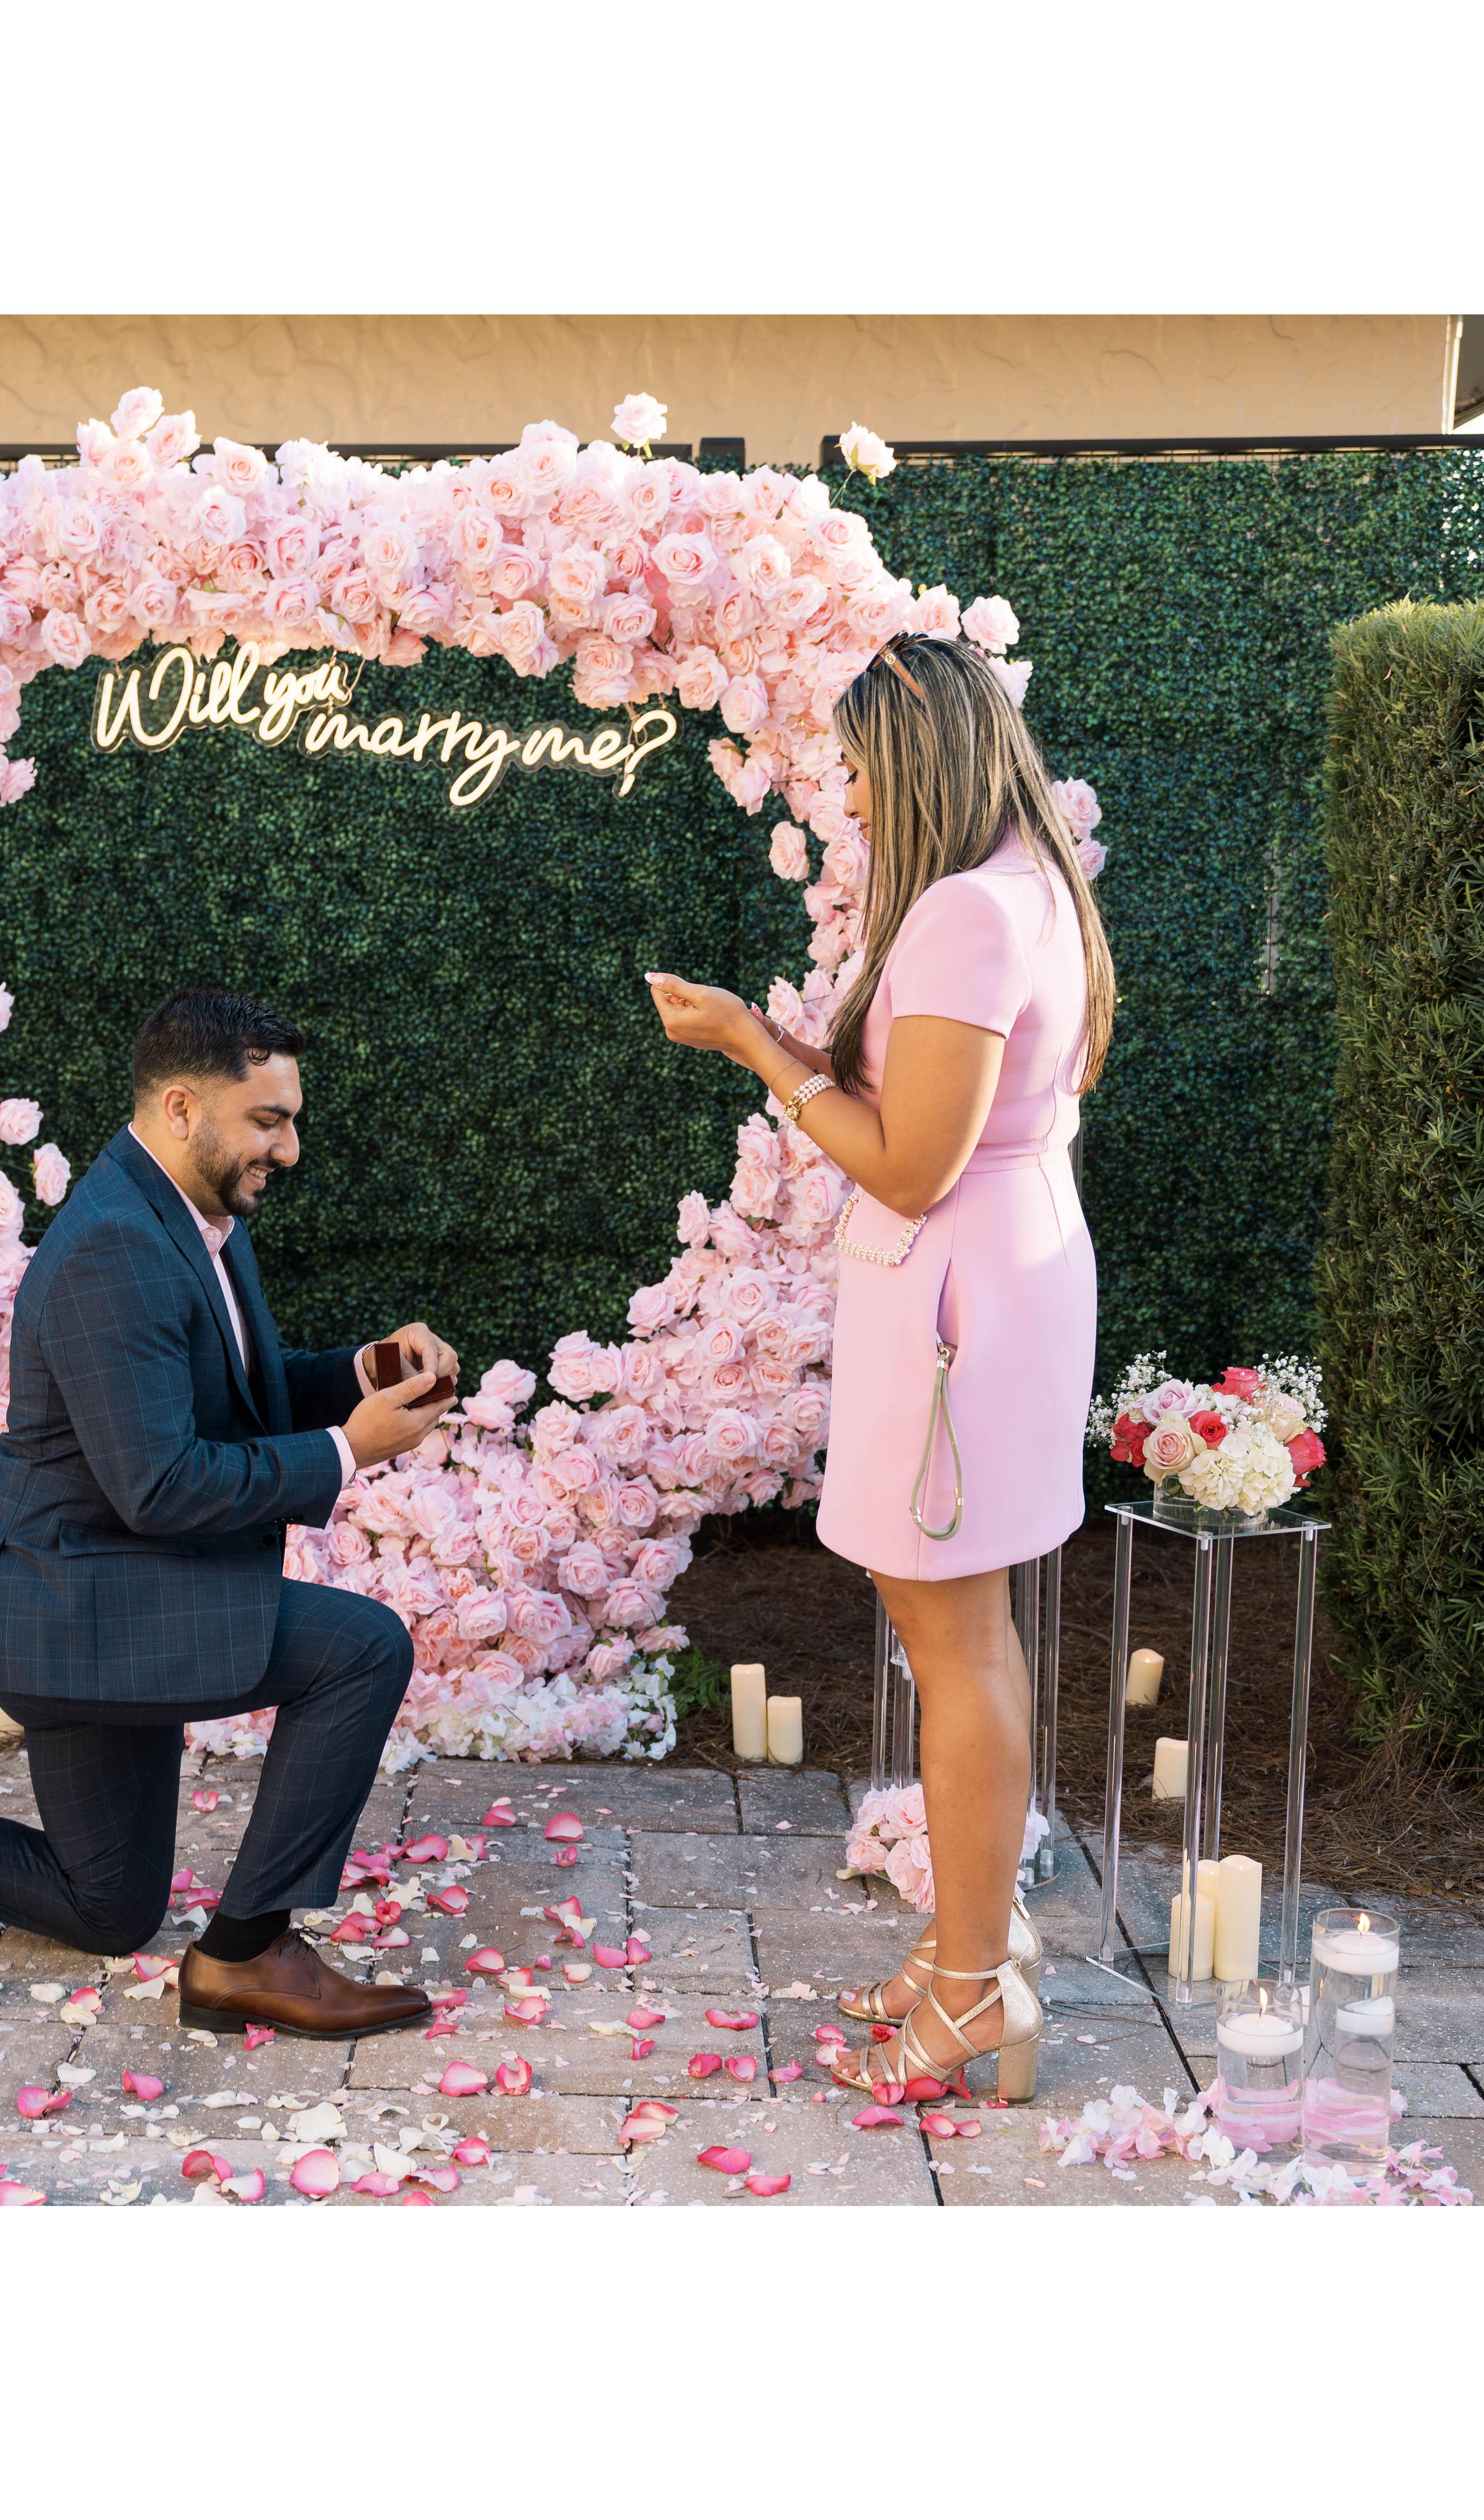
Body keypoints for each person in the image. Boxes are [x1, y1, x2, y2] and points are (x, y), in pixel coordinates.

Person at [0, 987, 459, 2040]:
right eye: (268, 1121)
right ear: (181, 1106)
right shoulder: (115, 1246)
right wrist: (351, 1449)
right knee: (362, 1648)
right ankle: (246, 1954)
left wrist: (363, 1370)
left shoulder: (195, 1216)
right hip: (81, 1610)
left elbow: (236, 1392)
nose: (290, 1149)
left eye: (292, 1120)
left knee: (107, 1906)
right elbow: (161, 1485)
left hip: (109, 1590)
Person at [645, 634, 1111, 2102]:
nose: (846, 795)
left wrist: (752, 1048)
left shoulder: (969, 913)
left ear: (916, 759)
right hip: (998, 1276)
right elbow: (942, 1108)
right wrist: (791, 1045)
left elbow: (909, 1164)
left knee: (955, 1641)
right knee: (961, 1631)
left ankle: (973, 1987)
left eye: (857, 768)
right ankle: (978, 1937)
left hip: (960, 1299)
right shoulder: (1028, 887)